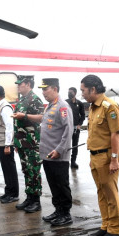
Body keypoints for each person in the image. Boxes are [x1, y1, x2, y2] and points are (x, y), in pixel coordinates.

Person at [17, 78, 74, 225]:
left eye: (45, 89)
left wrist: (60, 150)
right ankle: (58, 210)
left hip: (58, 155)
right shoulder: (50, 106)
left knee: (61, 185)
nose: (43, 92)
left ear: (55, 89)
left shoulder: (62, 107)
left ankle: (65, 214)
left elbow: (68, 131)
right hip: (47, 154)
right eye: (42, 89)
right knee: (54, 185)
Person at [80, 74, 119, 236]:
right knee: (101, 192)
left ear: (93, 89)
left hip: (108, 156)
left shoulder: (109, 106)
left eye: (84, 90)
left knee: (111, 193)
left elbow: (115, 135)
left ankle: (114, 230)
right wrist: (92, 156)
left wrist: (114, 159)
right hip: (96, 156)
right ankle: (105, 225)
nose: (82, 93)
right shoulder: (93, 107)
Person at [11, 75, 44, 213]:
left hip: (32, 142)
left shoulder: (35, 99)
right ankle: (29, 197)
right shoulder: (22, 100)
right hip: (22, 143)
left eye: (21, 84)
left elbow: (41, 118)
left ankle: (36, 201)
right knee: (26, 170)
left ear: (29, 84)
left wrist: (24, 116)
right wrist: (17, 142)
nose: (18, 86)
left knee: (34, 171)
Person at [66, 86, 86, 169]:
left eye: (71, 92)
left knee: (75, 145)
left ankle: (73, 162)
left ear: (75, 93)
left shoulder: (79, 103)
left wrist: (79, 125)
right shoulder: (65, 102)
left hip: (76, 128)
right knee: (66, 145)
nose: (69, 93)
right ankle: (65, 161)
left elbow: (83, 115)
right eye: (68, 92)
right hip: (67, 128)